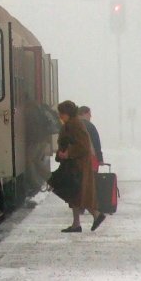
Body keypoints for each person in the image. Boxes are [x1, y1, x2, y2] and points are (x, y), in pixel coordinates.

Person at [56, 100, 106, 233]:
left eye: (62, 113)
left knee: (79, 194)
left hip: (78, 165)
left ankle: (95, 215)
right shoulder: (70, 124)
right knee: (75, 195)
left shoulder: (75, 125)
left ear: (68, 113)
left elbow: (83, 146)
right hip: (73, 164)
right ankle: (78, 223)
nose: (60, 116)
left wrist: (68, 154)